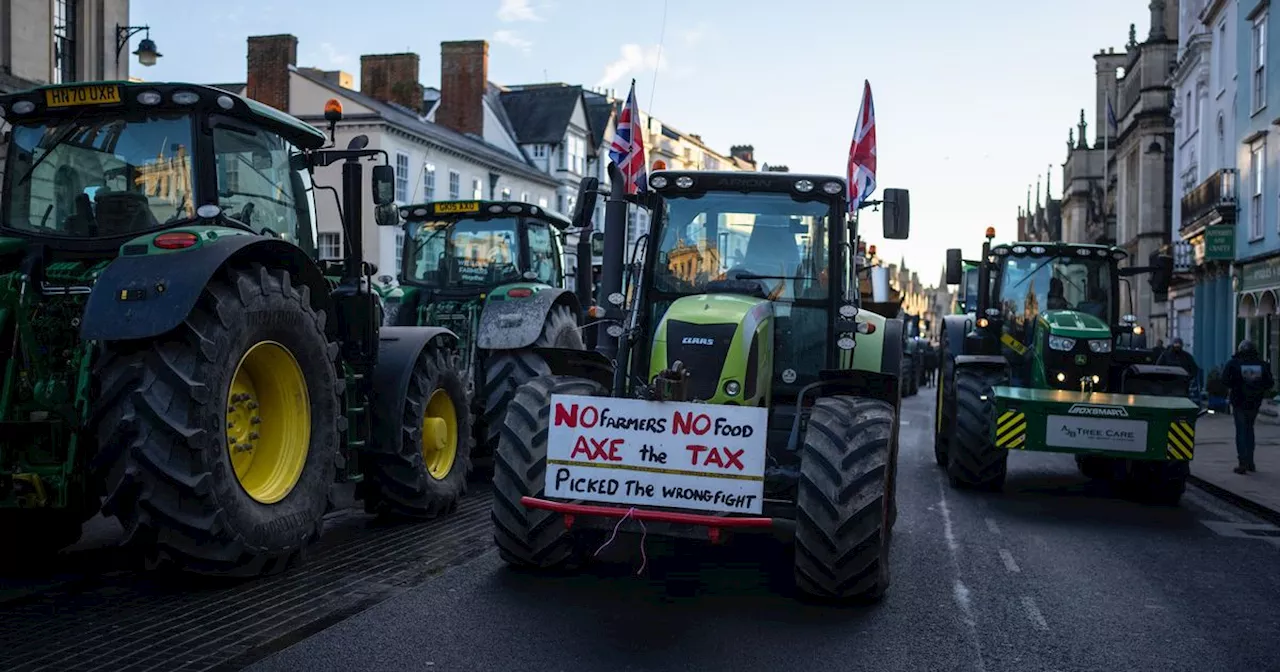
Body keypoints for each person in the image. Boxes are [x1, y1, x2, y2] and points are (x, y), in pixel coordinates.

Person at [1223, 339, 1274, 474]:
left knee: (1241, 431)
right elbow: (1270, 383)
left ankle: (1243, 463)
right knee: (1249, 430)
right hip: (1254, 402)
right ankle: (1250, 462)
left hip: (1239, 402)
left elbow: (1225, 380)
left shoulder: (1234, 363)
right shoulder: (1262, 364)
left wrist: (1236, 386)